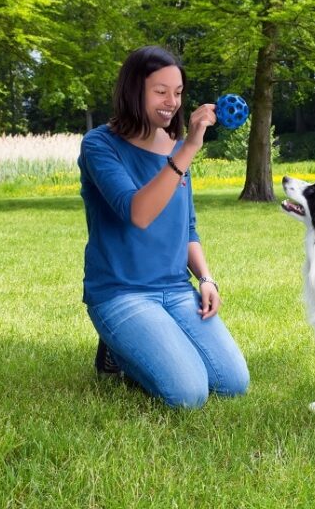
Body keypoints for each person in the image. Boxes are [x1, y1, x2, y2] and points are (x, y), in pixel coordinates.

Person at [77, 46, 250, 408]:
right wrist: (187, 150)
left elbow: (187, 227)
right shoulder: (100, 145)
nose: (171, 101)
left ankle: (147, 343)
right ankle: (117, 352)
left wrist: (206, 279)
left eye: (178, 92)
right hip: (121, 292)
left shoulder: (174, 147)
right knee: (188, 394)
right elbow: (137, 212)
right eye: (160, 91)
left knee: (233, 382)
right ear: (133, 90)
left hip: (175, 289)